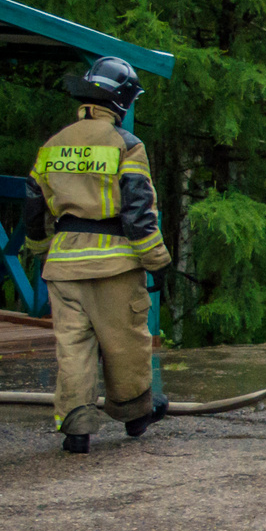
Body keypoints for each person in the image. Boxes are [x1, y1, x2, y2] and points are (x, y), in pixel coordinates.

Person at [23, 56, 171, 454]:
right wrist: (156, 260)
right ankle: (136, 414)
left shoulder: (52, 145)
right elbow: (138, 211)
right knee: (124, 342)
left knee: (73, 346)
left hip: (64, 266)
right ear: (121, 101)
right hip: (114, 265)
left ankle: (76, 427)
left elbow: (34, 208)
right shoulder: (126, 144)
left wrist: (42, 252)